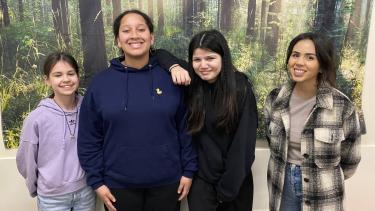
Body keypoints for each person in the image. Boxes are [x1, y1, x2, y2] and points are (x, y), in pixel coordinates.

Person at [77, 9, 197, 211]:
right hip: (118, 187)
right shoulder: (100, 84)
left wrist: (189, 171)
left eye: (141, 29)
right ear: (117, 40)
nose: (134, 35)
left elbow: (185, 130)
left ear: (151, 38)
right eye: (126, 30)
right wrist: (96, 181)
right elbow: (89, 138)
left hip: (168, 184)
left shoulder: (172, 79)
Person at [156, 29, 258, 211]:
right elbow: (158, 54)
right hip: (202, 184)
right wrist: (175, 67)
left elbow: (243, 147)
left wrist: (226, 191)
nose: (203, 65)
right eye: (197, 60)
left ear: (223, 58)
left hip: (234, 185)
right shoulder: (194, 83)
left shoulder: (240, 88)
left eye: (210, 58)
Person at [264, 32, 364, 211]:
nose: (299, 62)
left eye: (310, 57)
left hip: (324, 190)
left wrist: (325, 175)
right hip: (283, 183)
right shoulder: (274, 99)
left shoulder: (342, 106)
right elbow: (272, 140)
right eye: (295, 55)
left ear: (321, 65)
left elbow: (351, 159)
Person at [16, 52, 96, 211]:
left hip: (86, 192)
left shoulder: (90, 109)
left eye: (71, 73)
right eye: (58, 75)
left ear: (78, 76)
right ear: (47, 80)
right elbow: (26, 160)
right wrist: (37, 188)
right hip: (52, 198)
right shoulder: (37, 118)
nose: (66, 79)